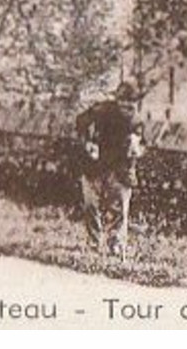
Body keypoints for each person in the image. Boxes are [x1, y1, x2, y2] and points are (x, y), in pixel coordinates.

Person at [75, 81, 144, 257]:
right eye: (123, 101)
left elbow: (141, 146)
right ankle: (93, 243)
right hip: (96, 164)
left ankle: (116, 246)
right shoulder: (103, 110)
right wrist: (88, 141)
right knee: (91, 204)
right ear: (117, 100)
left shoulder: (136, 121)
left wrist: (136, 149)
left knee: (120, 207)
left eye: (132, 102)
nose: (127, 106)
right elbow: (81, 120)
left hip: (120, 167)